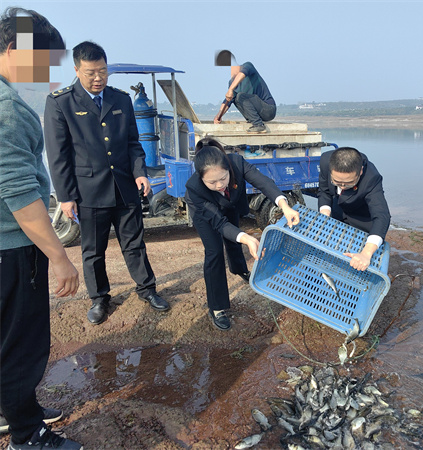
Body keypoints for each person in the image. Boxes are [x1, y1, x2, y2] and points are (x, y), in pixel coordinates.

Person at [0, 7, 83, 449]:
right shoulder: (7, 108)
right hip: (11, 247)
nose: (47, 74)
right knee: (21, 343)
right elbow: (19, 192)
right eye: (43, 62)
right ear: (15, 51)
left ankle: (14, 410)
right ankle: (27, 437)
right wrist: (59, 256)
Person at [44, 40, 170, 325]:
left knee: (134, 243)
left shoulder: (120, 99)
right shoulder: (61, 102)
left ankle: (147, 289)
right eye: (91, 73)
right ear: (77, 70)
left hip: (125, 187)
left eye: (102, 71)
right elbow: (58, 156)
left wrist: (141, 172)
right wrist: (66, 196)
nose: (98, 78)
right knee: (93, 250)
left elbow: (133, 143)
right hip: (88, 192)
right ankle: (100, 298)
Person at [185, 139, 299, 330]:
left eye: (223, 178)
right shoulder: (194, 189)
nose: (220, 184)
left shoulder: (236, 162)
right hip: (206, 214)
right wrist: (247, 238)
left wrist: (284, 205)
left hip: (230, 203)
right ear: (201, 178)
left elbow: (263, 182)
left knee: (234, 239)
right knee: (214, 253)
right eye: (212, 182)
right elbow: (219, 223)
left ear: (228, 168)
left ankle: (240, 269)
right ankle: (217, 307)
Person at [318, 147, 391, 271]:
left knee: (361, 257)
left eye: (349, 183)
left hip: (361, 217)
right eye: (337, 182)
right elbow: (324, 191)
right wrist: (325, 214)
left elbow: (382, 216)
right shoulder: (326, 160)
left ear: (360, 171)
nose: (343, 187)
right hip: (338, 208)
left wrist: (366, 253)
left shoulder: (371, 178)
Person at [213, 51, 276, 134]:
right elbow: (227, 101)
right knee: (234, 98)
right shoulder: (232, 82)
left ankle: (259, 125)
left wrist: (231, 89)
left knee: (240, 96)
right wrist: (219, 115)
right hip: (258, 113)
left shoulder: (248, 66)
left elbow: (243, 73)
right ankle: (253, 120)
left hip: (268, 109)